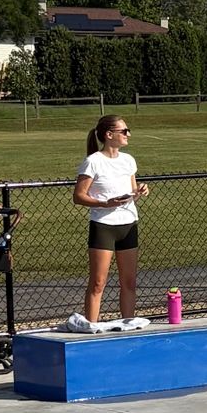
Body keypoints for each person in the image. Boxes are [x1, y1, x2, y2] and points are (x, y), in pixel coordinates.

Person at [71, 115, 151, 330]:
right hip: (103, 226)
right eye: (124, 131)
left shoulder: (128, 160)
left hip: (128, 224)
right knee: (98, 282)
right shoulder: (93, 161)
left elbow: (132, 190)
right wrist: (105, 204)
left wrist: (140, 191)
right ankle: (92, 328)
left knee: (129, 282)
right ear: (109, 135)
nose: (128, 135)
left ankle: (128, 325)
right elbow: (79, 196)